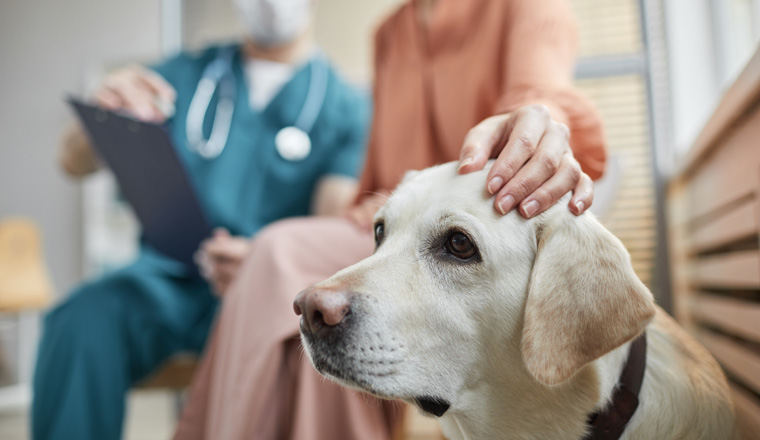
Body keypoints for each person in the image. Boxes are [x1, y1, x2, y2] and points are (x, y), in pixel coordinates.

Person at [172, 0, 607, 439]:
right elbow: (376, 186)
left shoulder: (527, 7)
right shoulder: (389, 34)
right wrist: (293, 251)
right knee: (290, 281)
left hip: (476, 243)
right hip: (386, 233)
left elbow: (540, 93)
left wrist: (539, 121)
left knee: (280, 256)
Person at [32, 1, 371, 439]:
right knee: (80, 319)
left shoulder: (347, 106)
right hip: (165, 283)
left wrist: (261, 260)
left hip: (265, 291)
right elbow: (72, 162)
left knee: (298, 354)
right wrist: (103, 109)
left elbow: (327, 222)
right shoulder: (186, 74)